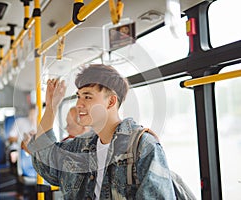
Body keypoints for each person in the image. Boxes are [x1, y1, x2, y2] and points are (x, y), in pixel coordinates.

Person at [22, 64, 176, 199]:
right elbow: (44, 158)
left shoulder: (143, 147)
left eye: (87, 97)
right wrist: (51, 107)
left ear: (111, 101)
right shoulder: (81, 146)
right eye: (79, 97)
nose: (79, 104)